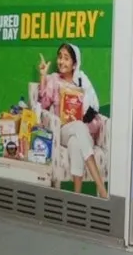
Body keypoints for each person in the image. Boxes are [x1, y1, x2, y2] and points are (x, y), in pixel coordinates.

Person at [37, 43, 109, 198]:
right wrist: (43, 75)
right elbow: (43, 104)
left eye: (66, 58)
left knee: (76, 143)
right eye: (60, 57)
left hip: (83, 133)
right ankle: (101, 188)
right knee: (77, 127)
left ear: (74, 64)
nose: (61, 62)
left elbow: (94, 107)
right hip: (62, 130)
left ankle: (76, 197)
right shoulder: (54, 80)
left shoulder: (82, 81)